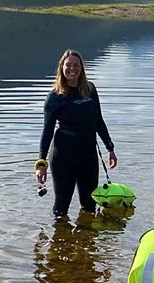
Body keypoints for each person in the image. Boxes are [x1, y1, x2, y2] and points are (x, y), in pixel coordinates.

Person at [35, 50, 117, 218]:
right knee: (61, 206)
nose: (72, 69)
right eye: (68, 65)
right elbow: (47, 130)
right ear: (61, 68)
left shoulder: (90, 90)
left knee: (89, 205)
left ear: (82, 68)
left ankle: (87, 239)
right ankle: (60, 240)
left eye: (76, 65)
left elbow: (98, 121)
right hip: (63, 156)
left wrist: (110, 147)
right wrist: (41, 163)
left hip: (88, 155)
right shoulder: (55, 97)